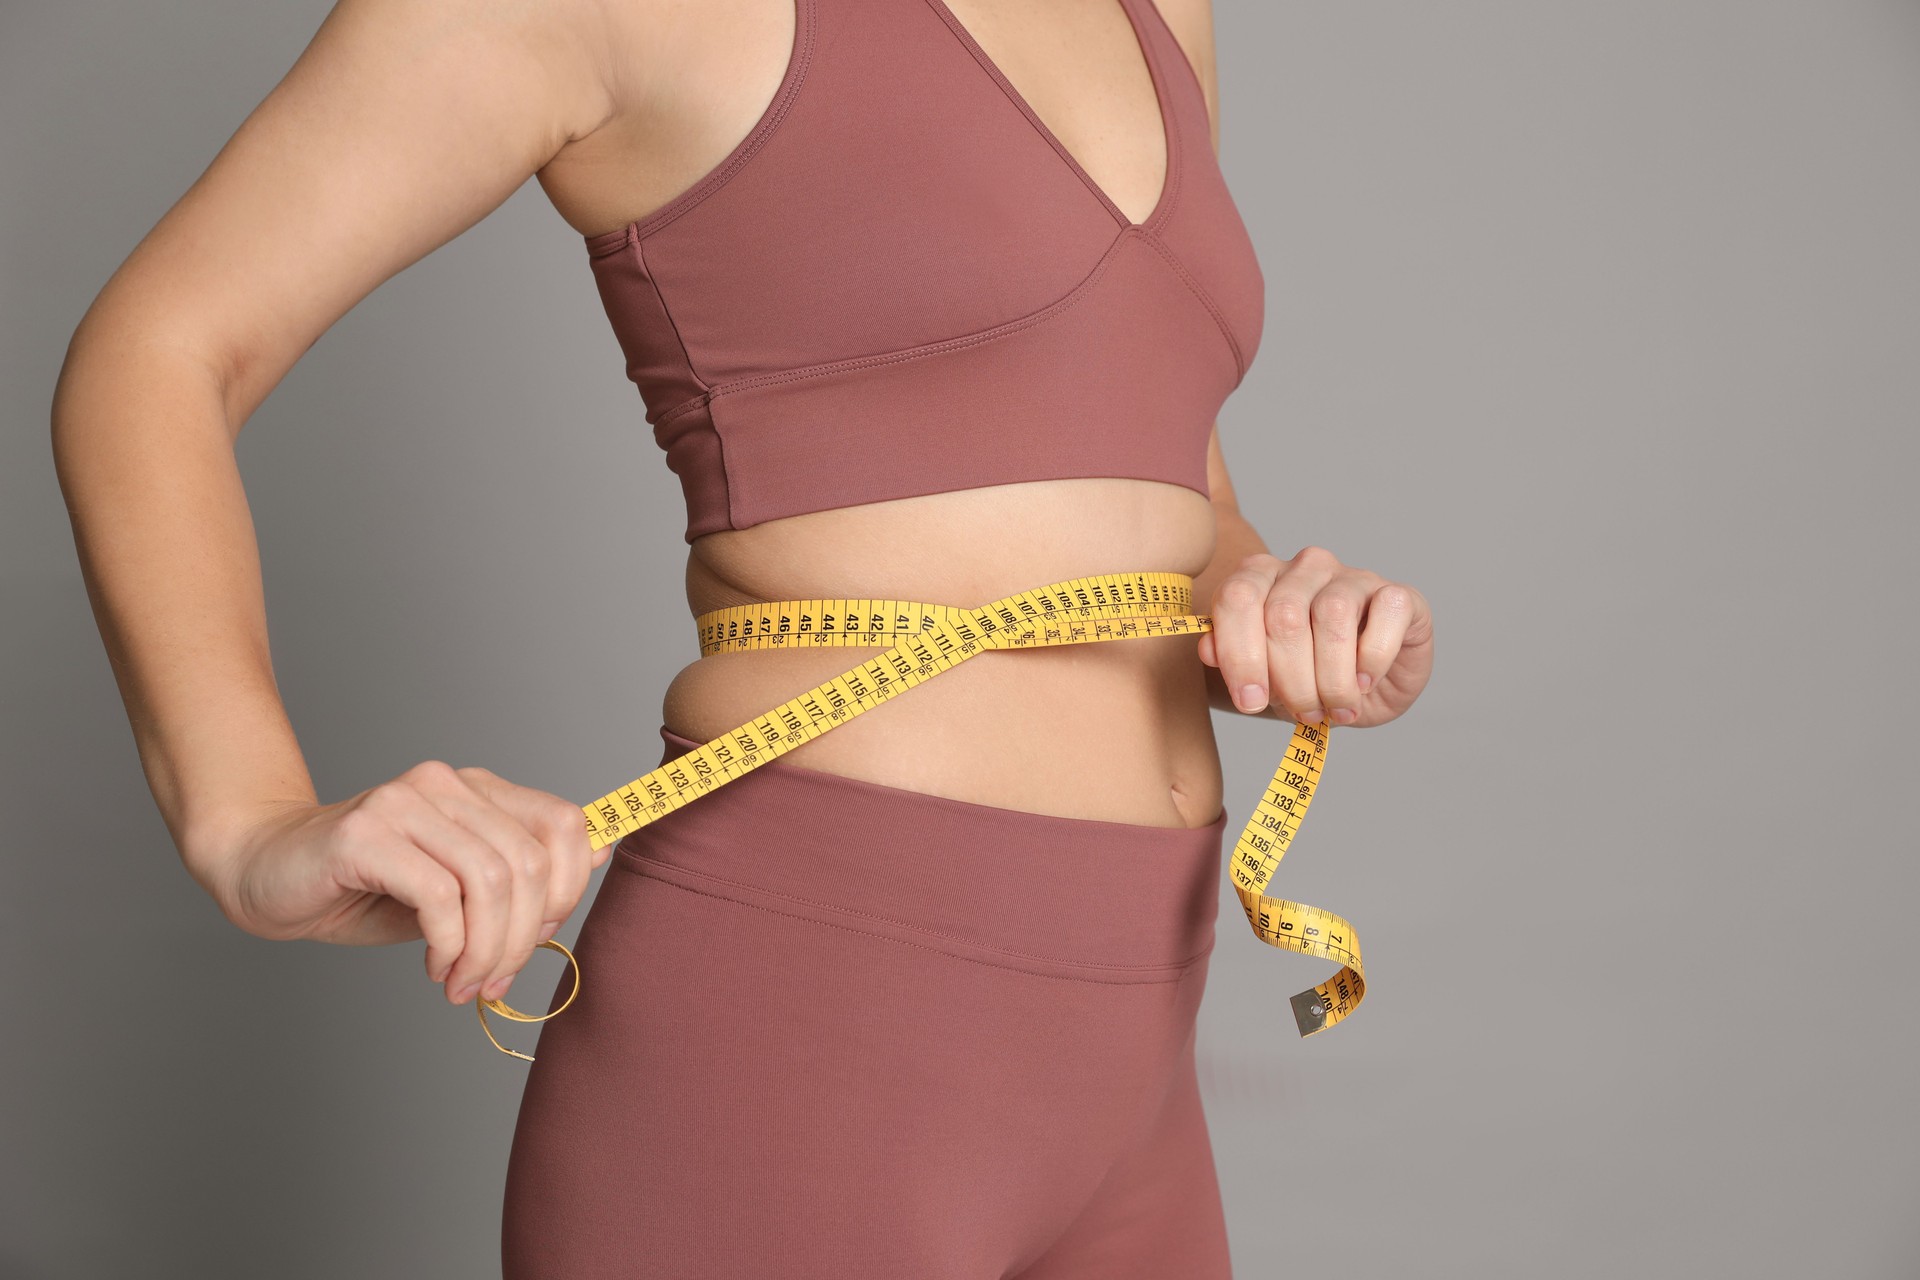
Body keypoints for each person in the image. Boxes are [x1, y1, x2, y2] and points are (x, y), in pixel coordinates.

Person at [50, 0, 1434, 1274]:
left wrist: (1281, 606)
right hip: (805, 1042)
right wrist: (248, 820)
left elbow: (1163, 483)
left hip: (1140, 1055)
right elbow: (162, 348)